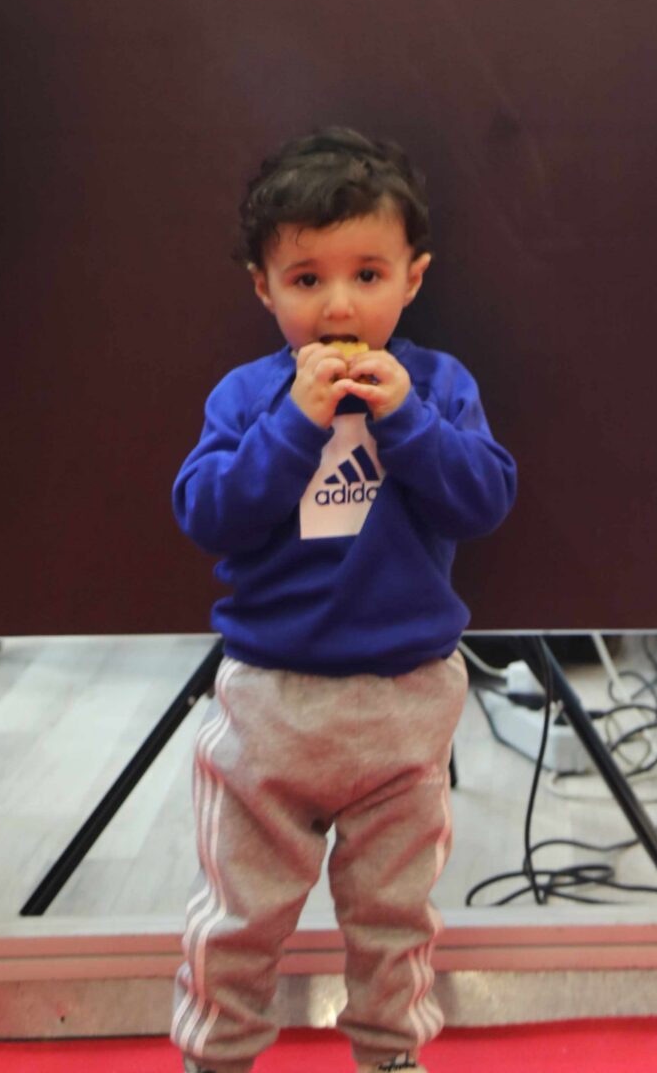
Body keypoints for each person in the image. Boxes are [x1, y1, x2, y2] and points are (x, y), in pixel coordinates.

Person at [172, 127, 517, 1073]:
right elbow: (205, 513)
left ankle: (390, 1051)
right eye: (306, 279)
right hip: (272, 699)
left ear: (412, 278)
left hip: (408, 698)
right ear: (263, 288)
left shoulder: (437, 386)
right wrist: (293, 424)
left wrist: (406, 419)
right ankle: (219, 1053)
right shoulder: (248, 396)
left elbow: (484, 500)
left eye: (367, 275)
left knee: (395, 910)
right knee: (241, 907)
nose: (338, 306)